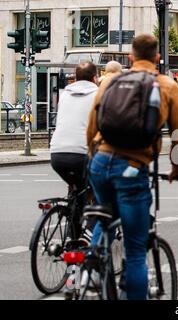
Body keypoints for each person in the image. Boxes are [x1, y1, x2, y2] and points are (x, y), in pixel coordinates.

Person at [86, 34, 178, 300]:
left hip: (99, 162)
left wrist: (93, 158)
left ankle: (90, 268)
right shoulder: (166, 85)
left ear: (130, 58)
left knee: (104, 214)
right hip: (132, 166)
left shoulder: (111, 81)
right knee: (134, 251)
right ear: (157, 58)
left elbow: (92, 125)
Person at [50, 61, 99, 245]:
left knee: (76, 191)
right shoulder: (98, 94)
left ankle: (72, 236)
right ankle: (86, 235)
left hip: (56, 154)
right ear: (95, 77)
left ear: (76, 77)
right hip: (82, 153)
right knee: (99, 190)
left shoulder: (65, 94)